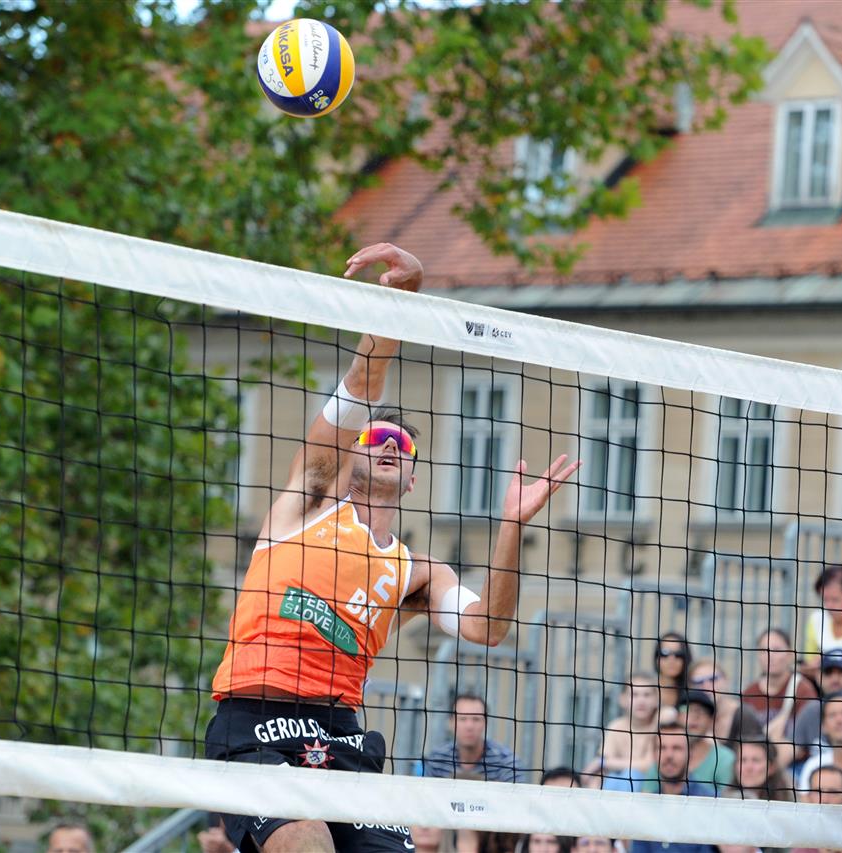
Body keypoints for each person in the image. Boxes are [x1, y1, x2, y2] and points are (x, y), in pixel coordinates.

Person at [204, 242, 580, 853]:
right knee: (306, 840)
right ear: (352, 453)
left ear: (411, 479)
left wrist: (512, 526)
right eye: (377, 435)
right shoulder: (308, 503)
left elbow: (487, 627)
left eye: (402, 446)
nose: (387, 444)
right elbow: (360, 384)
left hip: (340, 732)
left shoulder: (417, 571)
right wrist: (399, 302)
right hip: (254, 722)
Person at [632, 723, 718, 853]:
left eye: (676, 748)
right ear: (654, 754)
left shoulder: (711, 802)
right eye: (662, 748)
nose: (669, 755)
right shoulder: (645, 807)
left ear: (690, 754)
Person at [740, 628, 819, 768]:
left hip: (795, 766)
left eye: (777, 650)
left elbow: (807, 741)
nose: (770, 656)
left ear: (790, 654)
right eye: (764, 650)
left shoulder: (803, 690)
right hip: (756, 764)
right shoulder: (749, 692)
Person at [424, 693, 521, 782]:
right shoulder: (436, 759)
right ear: (451, 723)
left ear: (485, 723)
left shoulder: (507, 762)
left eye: (476, 719)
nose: (469, 726)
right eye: (462, 719)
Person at [590, 673, 660, 788]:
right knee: (609, 779)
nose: (641, 701)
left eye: (647, 695)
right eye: (634, 695)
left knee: (631, 775)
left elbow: (650, 765)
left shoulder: (659, 723)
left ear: (656, 700)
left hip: (651, 786)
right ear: (622, 699)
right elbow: (605, 761)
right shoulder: (616, 726)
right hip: (620, 781)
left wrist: (603, 762)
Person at [678, 689, 736, 790]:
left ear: (711, 721)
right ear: (677, 717)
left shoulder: (725, 759)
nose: (695, 716)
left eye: (702, 711)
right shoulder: (663, 754)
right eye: (687, 709)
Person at [688, 658, 748, 744]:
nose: (706, 686)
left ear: (726, 680)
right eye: (699, 682)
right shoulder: (688, 718)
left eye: (713, 679)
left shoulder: (744, 715)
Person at [726, 739, 795, 802]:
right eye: (743, 760)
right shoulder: (725, 800)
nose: (748, 767)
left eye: (756, 760)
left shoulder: (789, 802)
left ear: (771, 767)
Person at [653, 632, 692, 725]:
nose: (671, 660)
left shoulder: (692, 691)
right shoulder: (646, 690)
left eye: (678, 654)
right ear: (656, 658)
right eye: (664, 653)